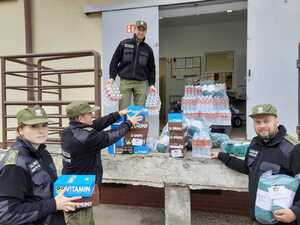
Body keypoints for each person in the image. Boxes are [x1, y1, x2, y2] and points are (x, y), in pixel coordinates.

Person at [212, 104, 300, 225]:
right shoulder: (255, 144)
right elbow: (248, 168)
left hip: (281, 220)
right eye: (258, 122)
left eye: (266, 121)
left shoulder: (291, 149)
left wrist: (296, 212)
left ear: (277, 120)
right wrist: (223, 156)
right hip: (258, 216)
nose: (262, 126)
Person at [60, 101, 141, 225]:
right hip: (79, 186)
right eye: (89, 113)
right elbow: (110, 136)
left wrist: (118, 114)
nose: (92, 115)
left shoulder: (70, 131)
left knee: (83, 216)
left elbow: (96, 124)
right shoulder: (86, 138)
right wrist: (129, 123)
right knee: (81, 219)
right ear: (81, 117)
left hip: (73, 180)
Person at [0, 106, 81, 225]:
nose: (41, 131)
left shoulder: (42, 152)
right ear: (20, 130)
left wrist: (65, 198)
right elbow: (6, 214)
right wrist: (54, 204)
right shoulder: (14, 165)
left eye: (44, 125)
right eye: (34, 126)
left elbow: (45, 191)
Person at [109, 20, 157, 110]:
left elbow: (152, 68)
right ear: (134, 29)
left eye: (143, 30)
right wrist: (112, 77)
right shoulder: (124, 44)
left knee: (139, 110)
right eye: (139, 29)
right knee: (123, 109)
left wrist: (152, 84)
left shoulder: (148, 49)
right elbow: (114, 60)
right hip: (125, 82)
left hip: (141, 83)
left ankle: (138, 124)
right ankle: (125, 124)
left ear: (145, 32)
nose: (141, 32)